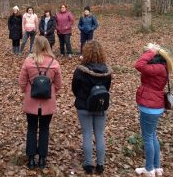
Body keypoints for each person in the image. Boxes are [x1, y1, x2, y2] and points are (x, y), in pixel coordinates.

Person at [18, 36, 62, 170]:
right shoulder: (54, 63)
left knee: (31, 128)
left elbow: (21, 82)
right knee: (44, 129)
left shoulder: (28, 61)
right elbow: (59, 84)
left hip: (31, 100)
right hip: (48, 101)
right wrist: (51, 89)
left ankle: (31, 159)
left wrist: (27, 90)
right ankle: (42, 159)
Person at [134, 43, 173, 177]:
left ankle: (149, 169)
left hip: (149, 106)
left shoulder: (156, 68)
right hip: (155, 104)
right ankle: (157, 167)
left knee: (147, 137)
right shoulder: (162, 67)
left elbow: (139, 65)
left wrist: (151, 51)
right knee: (152, 136)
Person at [71, 41, 112, 175]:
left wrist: (82, 97)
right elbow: (107, 88)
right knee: (100, 135)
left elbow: (75, 89)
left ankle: (88, 165)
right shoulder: (107, 71)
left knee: (87, 134)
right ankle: (100, 164)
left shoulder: (80, 71)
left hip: (83, 106)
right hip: (100, 105)